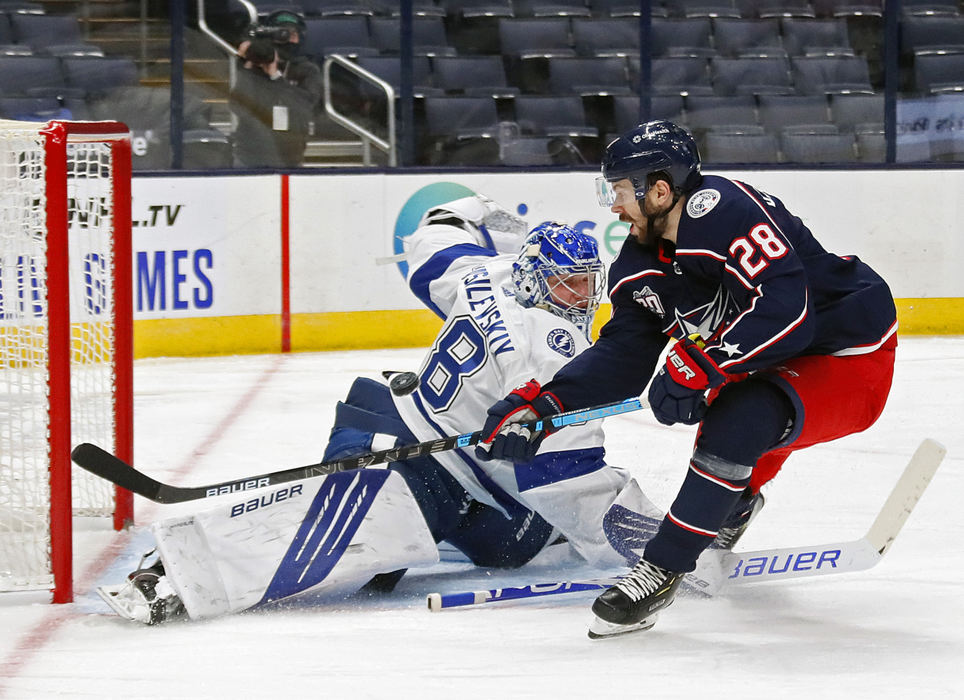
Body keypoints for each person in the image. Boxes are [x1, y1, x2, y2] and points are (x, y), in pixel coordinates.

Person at [97, 195, 667, 625]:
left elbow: (437, 230)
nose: (581, 297)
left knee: (505, 536)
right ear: (533, 278)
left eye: (586, 283)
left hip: (416, 442)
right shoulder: (550, 349)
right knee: (344, 534)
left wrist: (486, 210)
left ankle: (374, 507)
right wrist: (672, 549)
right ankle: (171, 575)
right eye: (566, 284)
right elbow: (568, 476)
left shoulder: (480, 274)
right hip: (422, 464)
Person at [479, 120, 899, 638]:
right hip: (768, 355)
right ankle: (734, 504)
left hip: (850, 353)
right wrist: (545, 404)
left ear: (658, 190)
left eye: (619, 191)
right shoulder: (639, 260)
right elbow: (624, 354)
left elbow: (790, 312)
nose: (613, 207)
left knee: (739, 418)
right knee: (728, 420)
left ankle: (663, 567)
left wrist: (705, 366)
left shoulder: (721, 208)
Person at [229, 10, 323, 168]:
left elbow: (305, 106)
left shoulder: (307, 70)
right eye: (280, 33)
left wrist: (275, 76)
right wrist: (248, 66)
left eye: (291, 34)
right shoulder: (253, 69)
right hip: (249, 155)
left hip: (290, 155)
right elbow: (238, 107)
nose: (286, 39)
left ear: (300, 37)